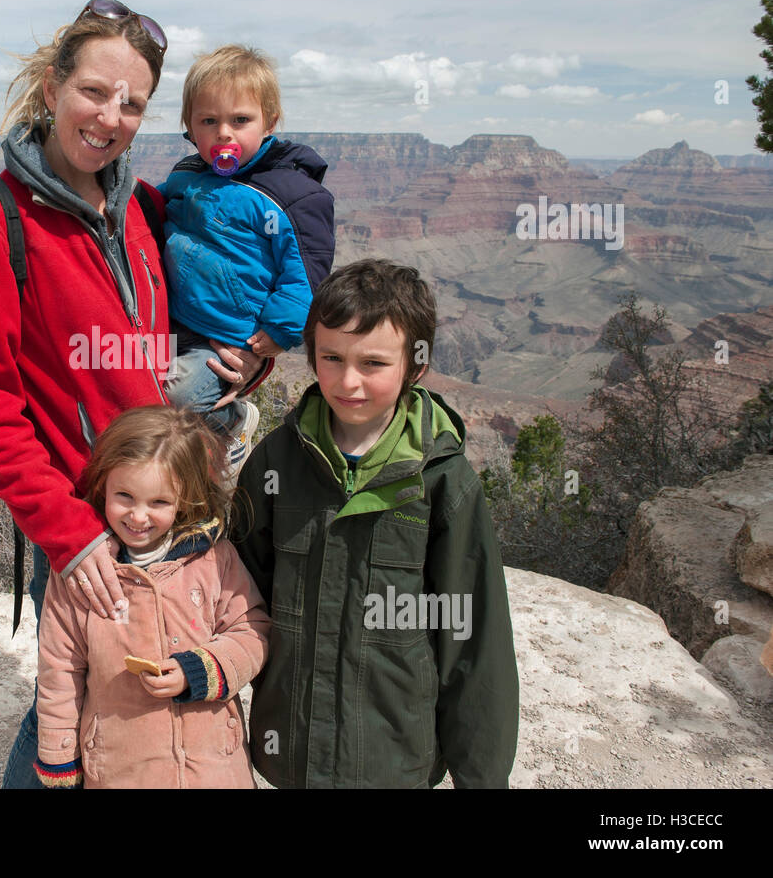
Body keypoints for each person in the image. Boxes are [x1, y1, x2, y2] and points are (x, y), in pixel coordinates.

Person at [0, 0, 265, 788]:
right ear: (51, 88)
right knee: (75, 699)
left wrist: (251, 354)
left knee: (159, 698)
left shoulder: (141, 207)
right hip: (91, 523)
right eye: (93, 91)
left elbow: (195, 324)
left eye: (132, 103)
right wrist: (68, 532)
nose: (110, 116)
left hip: (177, 504)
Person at [232, 258, 519, 788]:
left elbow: (475, 646)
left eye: (373, 364)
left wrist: (483, 778)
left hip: (391, 761)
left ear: (415, 366)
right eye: (331, 357)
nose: (348, 381)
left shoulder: (443, 483)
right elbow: (236, 600)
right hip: (290, 750)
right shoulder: (276, 464)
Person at [33, 405, 269, 788]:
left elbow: (253, 629)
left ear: (185, 499)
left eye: (158, 502)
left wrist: (201, 669)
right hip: (121, 770)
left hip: (213, 771)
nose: (138, 517)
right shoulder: (81, 574)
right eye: (124, 496)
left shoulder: (212, 559)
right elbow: (60, 667)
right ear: (102, 486)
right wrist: (59, 757)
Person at [159, 44, 335, 472]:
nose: (224, 133)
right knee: (125, 382)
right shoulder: (185, 175)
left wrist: (279, 331)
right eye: (208, 121)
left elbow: (306, 272)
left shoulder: (292, 194)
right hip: (175, 324)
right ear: (190, 127)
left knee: (179, 395)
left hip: (235, 341)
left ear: (269, 121)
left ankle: (231, 423)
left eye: (240, 120)